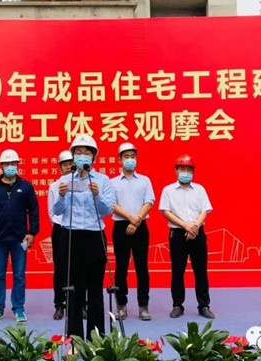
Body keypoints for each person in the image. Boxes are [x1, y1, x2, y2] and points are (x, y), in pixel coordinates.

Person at [52, 134, 114, 340]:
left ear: (93, 156)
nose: (82, 156)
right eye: (78, 152)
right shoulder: (64, 180)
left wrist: (97, 194)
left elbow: (107, 210)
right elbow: (57, 211)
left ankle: (97, 340)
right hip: (71, 236)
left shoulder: (103, 180)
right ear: (73, 156)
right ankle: (74, 340)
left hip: (95, 236)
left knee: (95, 289)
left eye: (87, 152)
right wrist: (61, 195)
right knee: (73, 290)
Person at [0, 149, 39, 323]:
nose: (10, 167)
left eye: (13, 163)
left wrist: (32, 232)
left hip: (19, 239)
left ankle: (18, 308)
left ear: (18, 165)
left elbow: (34, 210)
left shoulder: (26, 187)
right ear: (1, 166)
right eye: (7, 164)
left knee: (19, 275)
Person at [159, 154, 215, 319]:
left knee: (201, 271)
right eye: (182, 169)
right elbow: (166, 212)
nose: (185, 172)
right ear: (176, 171)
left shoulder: (200, 189)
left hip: (197, 232)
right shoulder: (168, 190)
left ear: (193, 172)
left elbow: (205, 210)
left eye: (189, 169)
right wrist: (185, 225)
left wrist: (195, 226)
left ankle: (204, 305)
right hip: (177, 233)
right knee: (177, 271)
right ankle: (177, 305)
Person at [110, 142, 155, 321]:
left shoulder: (144, 180)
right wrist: (130, 218)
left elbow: (149, 201)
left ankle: (143, 306)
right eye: (126, 156)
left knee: (142, 268)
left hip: (140, 226)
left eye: (133, 156)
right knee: (121, 268)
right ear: (120, 159)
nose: (130, 160)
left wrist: (136, 221)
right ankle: (121, 306)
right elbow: (112, 204)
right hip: (121, 226)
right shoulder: (113, 182)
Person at [47, 150, 74, 320]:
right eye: (65, 164)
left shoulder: (82, 184)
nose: (68, 167)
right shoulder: (54, 186)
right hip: (60, 229)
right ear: (60, 167)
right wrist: (60, 225)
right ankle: (59, 305)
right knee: (60, 269)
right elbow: (51, 212)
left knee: (79, 268)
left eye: (71, 163)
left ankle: (81, 305)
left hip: (78, 228)